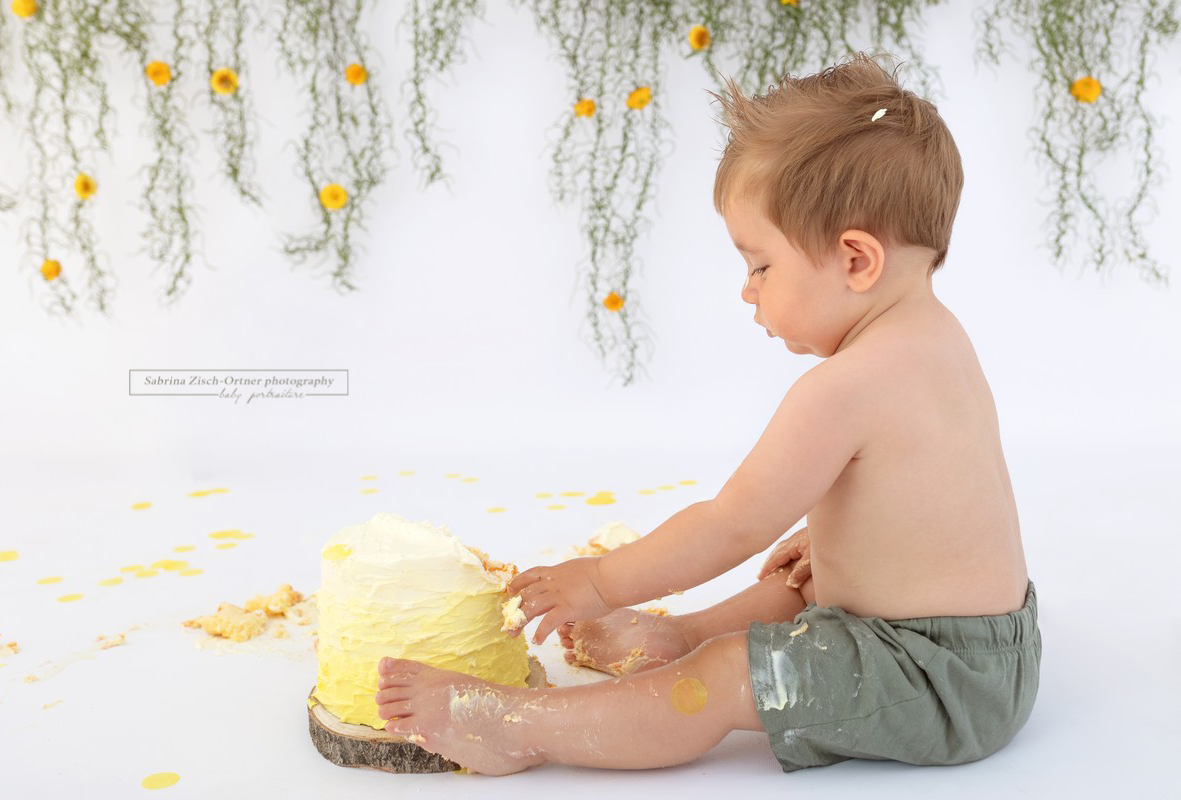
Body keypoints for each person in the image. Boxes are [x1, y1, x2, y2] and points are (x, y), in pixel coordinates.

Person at [375, 48, 1040, 776]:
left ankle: (517, 726)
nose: (748, 290)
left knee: (726, 676)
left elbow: (731, 524)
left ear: (857, 260)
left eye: (760, 264)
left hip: (936, 681)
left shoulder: (843, 388)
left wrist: (599, 580)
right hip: (990, 650)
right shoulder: (940, 339)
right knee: (797, 584)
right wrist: (839, 544)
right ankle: (676, 635)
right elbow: (936, 490)